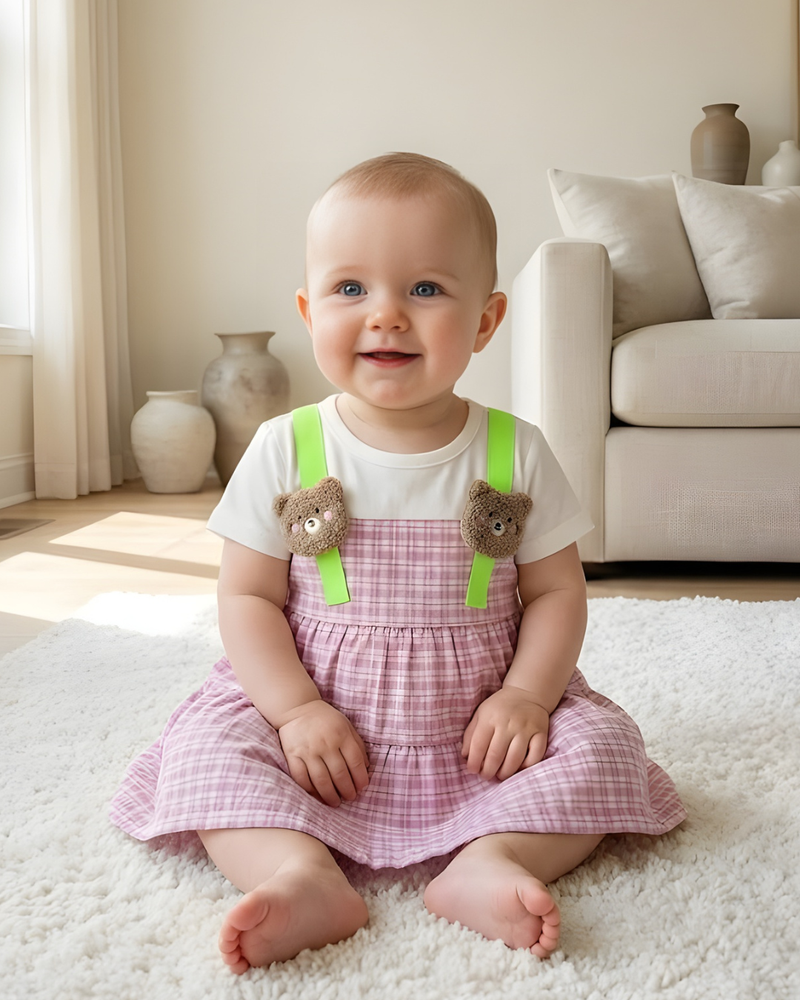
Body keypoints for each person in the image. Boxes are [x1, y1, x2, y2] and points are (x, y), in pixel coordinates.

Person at [110, 152, 686, 973]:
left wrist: (527, 695)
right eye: (351, 290)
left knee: (604, 748)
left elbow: (557, 590)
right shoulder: (286, 447)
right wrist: (294, 709)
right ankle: (298, 869)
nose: (385, 316)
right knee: (204, 749)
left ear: (486, 322)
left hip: (478, 723)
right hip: (318, 721)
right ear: (310, 312)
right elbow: (246, 597)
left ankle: (495, 859)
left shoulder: (513, 449)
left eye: (424, 289)